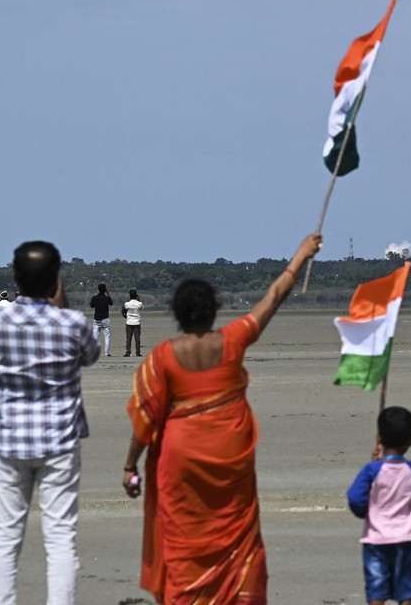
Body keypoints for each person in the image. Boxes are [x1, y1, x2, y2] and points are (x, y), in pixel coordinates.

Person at [122, 232, 322, 604]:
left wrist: (130, 467)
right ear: (213, 311)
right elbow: (275, 295)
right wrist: (300, 255)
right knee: (238, 539)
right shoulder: (232, 340)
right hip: (230, 458)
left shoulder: (162, 357)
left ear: (178, 315)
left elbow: (145, 423)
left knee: (183, 540)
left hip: (179, 461)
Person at [0, 241, 100, 605]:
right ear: (55, 280)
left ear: (16, 279)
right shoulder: (72, 323)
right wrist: (60, 306)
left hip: (10, 440)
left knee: (5, 536)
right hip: (59, 441)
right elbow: (91, 356)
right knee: (61, 537)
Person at [347, 406, 411, 605]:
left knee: (377, 588)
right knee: (405, 589)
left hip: (377, 538)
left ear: (379, 437)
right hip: (404, 537)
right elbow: (397, 470)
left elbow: (355, 498)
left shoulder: (371, 471)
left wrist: (364, 511)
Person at [90, 283, 113, 356]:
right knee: (107, 335)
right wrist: (108, 294)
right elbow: (111, 303)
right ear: (105, 290)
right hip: (105, 318)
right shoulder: (106, 298)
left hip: (96, 318)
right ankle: (106, 352)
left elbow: (91, 305)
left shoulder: (94, 298)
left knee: (95, 336)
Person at [122, 288, 144, 357]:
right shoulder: (139, 303)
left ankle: (128, 352)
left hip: (129, 322)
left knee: (128, 338)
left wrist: (125, 316)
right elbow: (142, 307)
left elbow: (123, 309)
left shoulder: (127, 304)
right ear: (136, 295)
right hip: (137, 322)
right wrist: (139, 299)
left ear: (130, 296)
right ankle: (138, 352)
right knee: (137, 339)